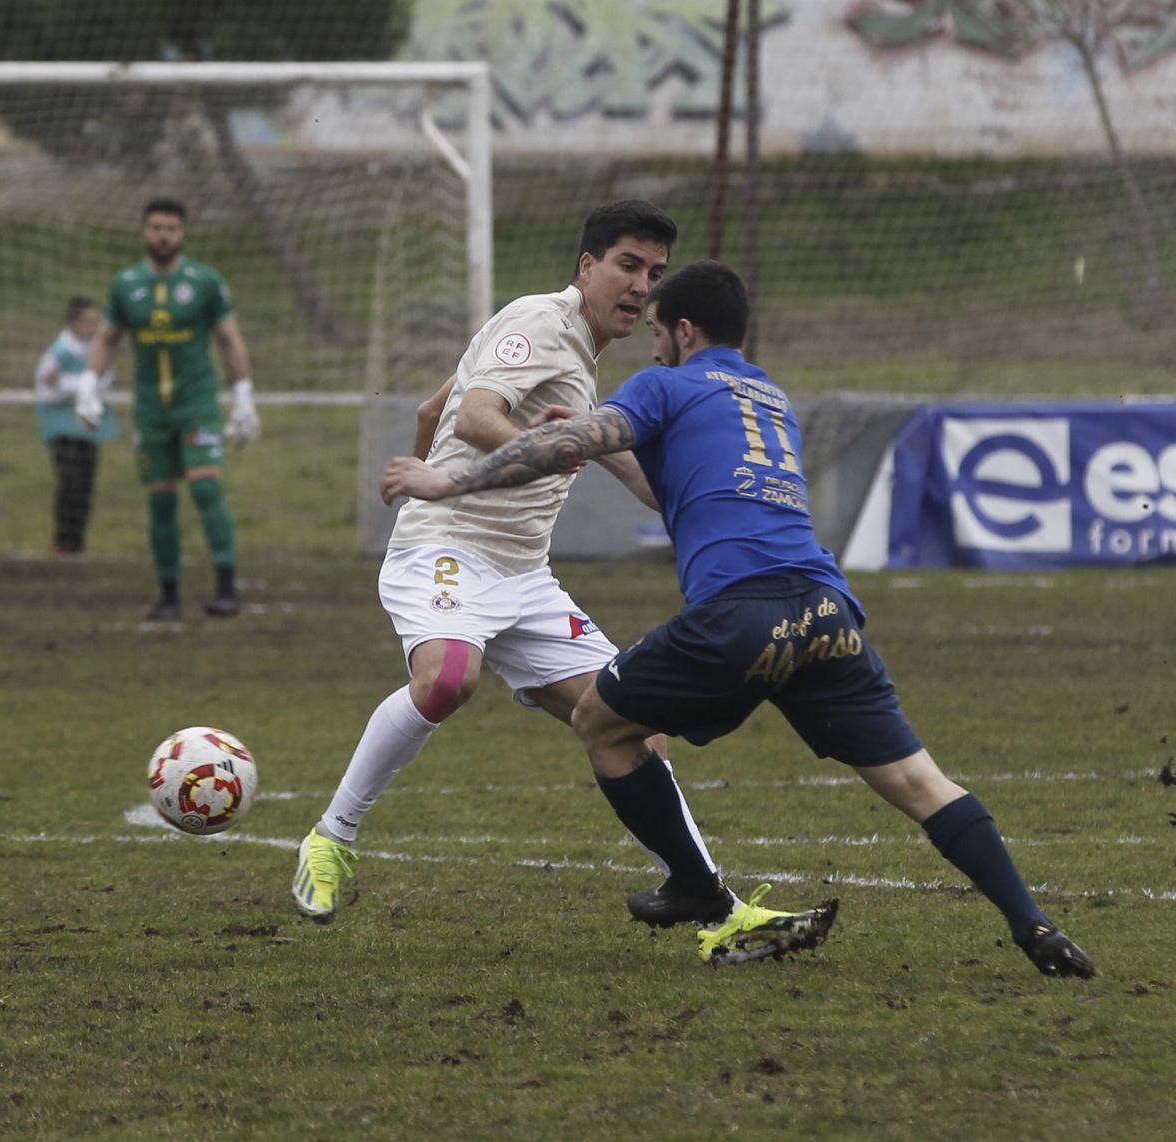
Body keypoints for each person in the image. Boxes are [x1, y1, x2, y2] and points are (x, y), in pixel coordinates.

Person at [380, 260, 1097, 979]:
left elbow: (554, 445)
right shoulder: (767, 397)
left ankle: (694, 885)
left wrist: (449, 478)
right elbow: (680, 493)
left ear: (684, 331)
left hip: (740, 617)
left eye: (659, 332)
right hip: (828, 613)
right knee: (919, 782)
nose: (653, 346)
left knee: (600, 722)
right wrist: (603, 446)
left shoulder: (667, 382)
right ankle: (1032, 923)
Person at [293, 203, 834, 965]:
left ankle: (717, 905)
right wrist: (454, 485)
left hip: (525, 574)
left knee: (638, 726)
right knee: (448, 679)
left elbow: (434, 407)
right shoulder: (540, 322)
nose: (640, 286)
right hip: (449, 547)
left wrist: (590, 446)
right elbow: (477, 417)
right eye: (626, 266)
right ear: (586, 268)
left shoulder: (587, 359)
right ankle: (331, 839)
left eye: (653, 274)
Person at [69, 197, 260, 620]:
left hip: (197, 406)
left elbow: (229, 339)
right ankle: (169, 595)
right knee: (160, 502)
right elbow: (106, 339)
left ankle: (226, 587)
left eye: (171, 228)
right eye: (156, 227)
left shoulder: (205, 282)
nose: (163, 235)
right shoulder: (125, 285)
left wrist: (243, 399)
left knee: (206, 488)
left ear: (183, 233)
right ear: (144, 231)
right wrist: (87, 386)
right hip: (151, 411)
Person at [33, 296, 118, 557]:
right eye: (87, 321)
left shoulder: (99, 350)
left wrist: (70, 383)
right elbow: (47, 386)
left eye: (96, 321)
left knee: (85, 487)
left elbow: (103, 383)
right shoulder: (59, 351)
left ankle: (78, 543)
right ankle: (63, 542)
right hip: (61, 429)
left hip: (89, 427)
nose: (93, 327)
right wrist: (83, 385)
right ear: (72, 323)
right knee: (68, 484)